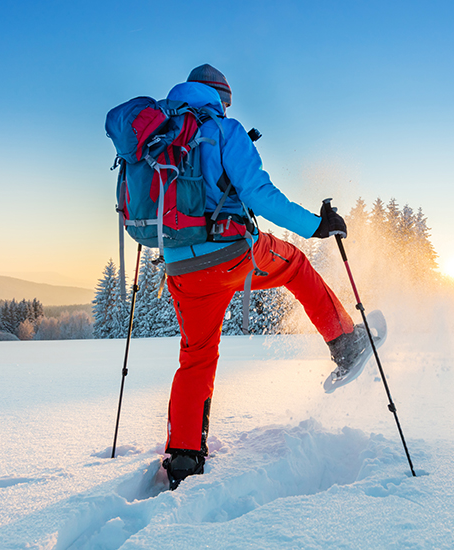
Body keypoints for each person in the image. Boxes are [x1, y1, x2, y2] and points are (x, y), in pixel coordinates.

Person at [161, 64, 370, 489]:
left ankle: (184, 458)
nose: (226, 107)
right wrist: (316, 225)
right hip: (233, 253)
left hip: (181, 269)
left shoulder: (160, 137)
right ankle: (345, 344)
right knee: (294, 263)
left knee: (196, 355)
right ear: (218, 96)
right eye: (226, 100)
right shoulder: (224, 130)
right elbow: (258, 193)